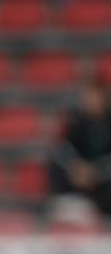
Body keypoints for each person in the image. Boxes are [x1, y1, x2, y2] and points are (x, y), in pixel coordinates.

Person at [47, 76, 111, 219]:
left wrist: (96, 173)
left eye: (96, 96)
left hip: (103, 180)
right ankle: (68, 205)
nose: (92, 101)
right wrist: (76, 167)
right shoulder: (76, 121)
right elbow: (62, 148)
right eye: (88, 96)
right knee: (55, 167)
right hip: (79, 175)